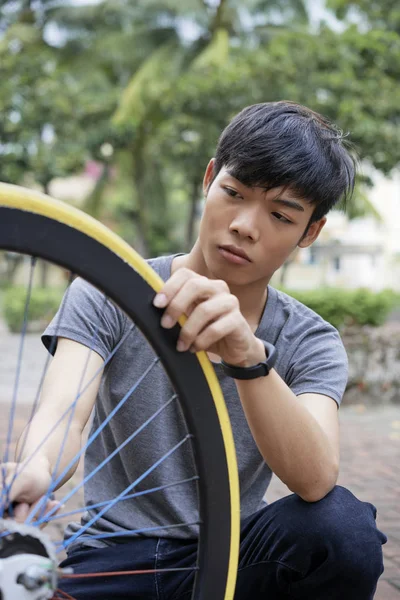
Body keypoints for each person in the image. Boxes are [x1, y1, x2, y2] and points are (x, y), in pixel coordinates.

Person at [2, 101, 386, 599]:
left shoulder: (309, 339)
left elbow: (315, 481)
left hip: (234, 557)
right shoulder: (108, 289)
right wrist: (33, 471)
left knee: (344, 530)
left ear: (310, 231)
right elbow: (62, 418)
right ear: (209, 178)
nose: (246, 225)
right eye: (233, 192)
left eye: (279, 214)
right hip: (112, 555)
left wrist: (248, 356)